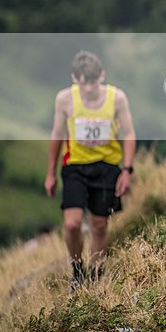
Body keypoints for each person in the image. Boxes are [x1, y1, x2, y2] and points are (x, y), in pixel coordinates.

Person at [45, 51, 136, 290]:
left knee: (99, 225)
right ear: (74, 79)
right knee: (73, 223)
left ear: (102, 76)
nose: (88, 87)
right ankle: (77, 269)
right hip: (75, 166)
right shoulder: (64, 99)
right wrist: (51, 173)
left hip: (107, 167)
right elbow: (56, 135)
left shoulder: (117, 98)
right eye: (83, 82)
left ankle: (96, 277)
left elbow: (129, 133)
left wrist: (127, 169)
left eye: (93, 81)